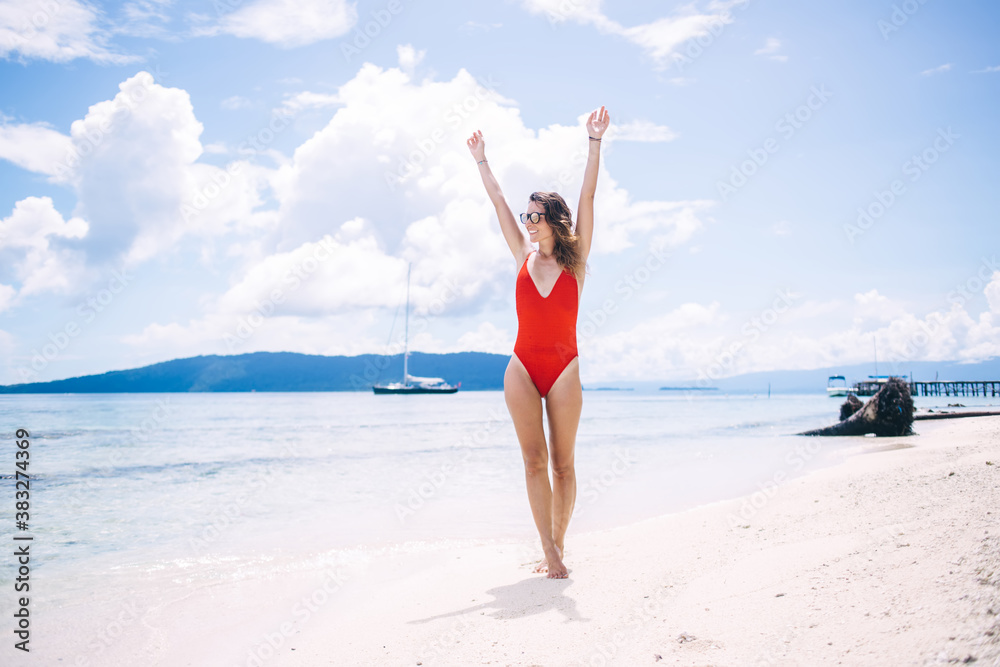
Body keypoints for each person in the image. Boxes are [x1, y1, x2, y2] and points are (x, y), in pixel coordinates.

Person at [467, 106, 610, 578]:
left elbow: (588, 196)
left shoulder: (577, 262)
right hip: (522, 368)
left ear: (554, 220)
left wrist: (594, 143)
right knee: (534, 462)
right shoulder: (520, 255)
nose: (528, 222)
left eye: (536, 216)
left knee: (563, 467)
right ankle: (548, 552)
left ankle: (558, 543)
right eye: (527, 216)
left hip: (565, 368)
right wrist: (482, 160)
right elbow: (497, 201)